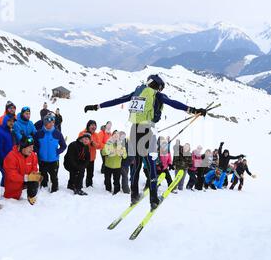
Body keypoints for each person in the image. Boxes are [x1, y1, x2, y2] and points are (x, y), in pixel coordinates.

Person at [84, 74, 208, 209]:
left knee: (136, 166)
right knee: (151, 165)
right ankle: (153, 199)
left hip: (133, 130)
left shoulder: (137, 92)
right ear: (158, 85)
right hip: (146, 130)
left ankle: (134, 196)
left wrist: (96, 106)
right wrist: (193, 110)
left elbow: (117, 100)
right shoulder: (157, 95)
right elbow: (173, 103)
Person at [3, 136, 42, 205]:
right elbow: (11, 175)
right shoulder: (11, 157)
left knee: (35, 179)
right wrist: (27, 178)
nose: (32, 149)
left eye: (32, 147)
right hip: (14, 182)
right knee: (11, 201)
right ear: (22, 147)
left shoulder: (33, 155)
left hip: (25, 179)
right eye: (30, 147)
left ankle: (31, 197)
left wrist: (35, 175)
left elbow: (34, 169)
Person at [34, 113, 67, 193]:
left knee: (54, 177)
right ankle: (44, 189)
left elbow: (63, 145)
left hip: (54, 160)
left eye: (53, 122)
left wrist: (57, 152)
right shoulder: (39, 133)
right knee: (43, 177)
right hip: (42, 160)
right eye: (49, 122)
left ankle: (55, 191)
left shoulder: (57, 133)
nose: (51, 124)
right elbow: (35, 145)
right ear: (45, 123)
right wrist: (38, 152)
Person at [78, 120, 103, 187]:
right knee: (81, 172)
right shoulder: (82, 133)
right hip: (82, 157)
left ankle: (89, 185)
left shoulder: (96, 135)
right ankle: (79, 184)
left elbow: (99, 146)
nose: (94, 127)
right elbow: (78, 143)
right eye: (92, 125)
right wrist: (88, 142)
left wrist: (94, 144)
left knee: (90, 173)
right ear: (88, 126)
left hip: (91, 157)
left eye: (95, 125)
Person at [102, 131, 127, 195]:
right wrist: (107, 153)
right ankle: (108, 190)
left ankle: (116, 191)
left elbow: (125, 156)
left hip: (117, 166)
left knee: (116, 180)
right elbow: (103, 152)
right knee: (107, 179)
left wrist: (121, 154)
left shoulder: (121, 145)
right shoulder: (108, 144)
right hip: (108, 166)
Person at [0, 115, 16, 186]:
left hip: (9, 159)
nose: (11, 123)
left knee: (8, 175)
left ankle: (6, 186)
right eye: (9, 121)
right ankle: (3, 187)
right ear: (5, 121)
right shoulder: (0, 132)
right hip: (1, 160)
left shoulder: (10, 131)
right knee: (6, 174)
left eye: (13, 121)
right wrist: (4, 160)